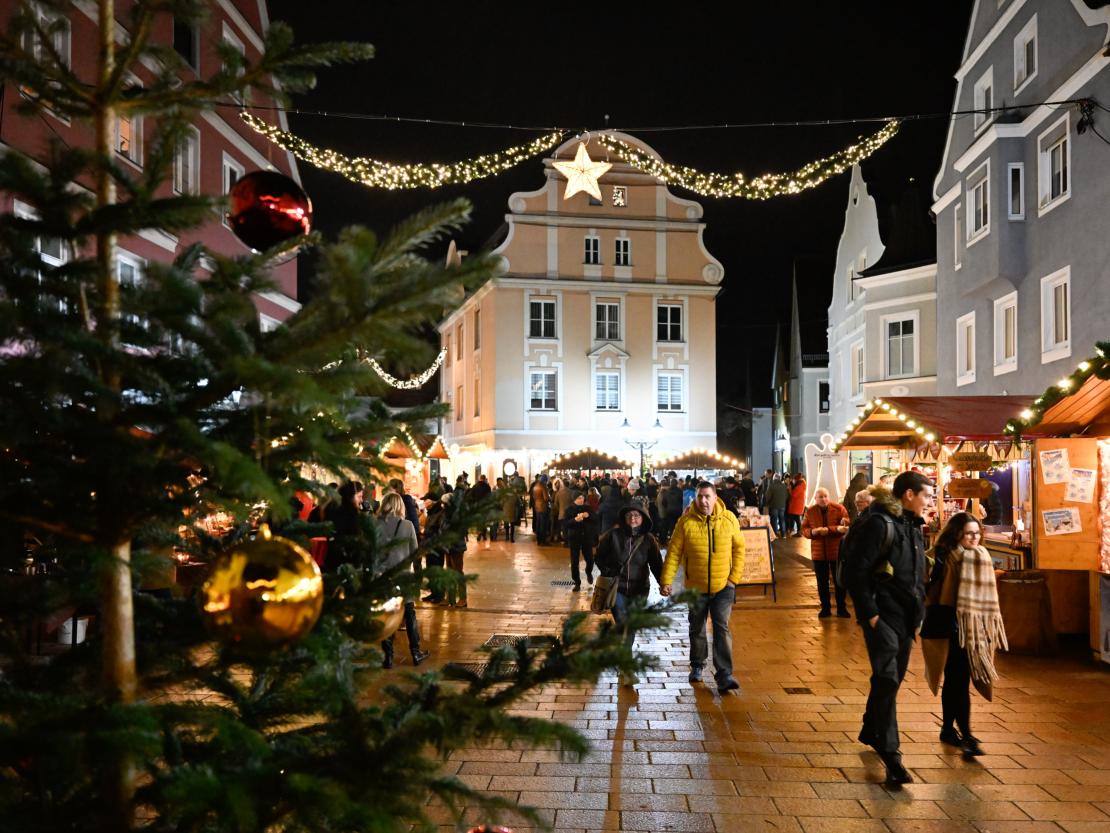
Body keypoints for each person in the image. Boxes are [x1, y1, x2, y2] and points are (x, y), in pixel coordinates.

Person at [845, 471, 932, 786]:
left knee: (889, 682)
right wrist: (870, 615)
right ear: (909, 494)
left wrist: (920, 610)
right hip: (883, 616)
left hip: (907, 618)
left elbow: (916, 571)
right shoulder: (879, 524)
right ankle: (892, 755)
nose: (929, 502)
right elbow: (855, 570)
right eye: (926, 495)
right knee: (888, 677)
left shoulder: (912, 526)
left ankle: (871, 727)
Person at [921, 513, 1007, 758]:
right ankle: (966, 734)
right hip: (947, 626)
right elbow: (929, 587)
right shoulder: (943, 556)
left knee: (957, 681)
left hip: (974, 628)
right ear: (956, 533)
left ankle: (949, 729)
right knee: (957, 680)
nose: (974, 537)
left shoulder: (981, 557)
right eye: (969, 533)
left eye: (977, 533)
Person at [660, 481, 746, 695]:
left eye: (707, 496)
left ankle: (724, 673)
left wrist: (733, 579)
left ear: (715, 497)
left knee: (721, 628)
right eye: (700, 496)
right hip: (696, 586)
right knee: (697, 626)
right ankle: (698, 664)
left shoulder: (729, 519)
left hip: (723, 586)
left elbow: (739, 549)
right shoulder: (685, 522)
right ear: (695, 498)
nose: (704, 500)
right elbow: (674, 553)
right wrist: (666, 580)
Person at [594, 505, 663, 686]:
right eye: (630, 515)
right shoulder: (613, 536)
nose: (633, 519)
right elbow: (599, 557)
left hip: (640, 590)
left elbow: (656, 564)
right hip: (618, 589)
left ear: (643, 518)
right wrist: (609, 570)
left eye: (637, 516)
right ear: (624, 518)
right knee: (625, 625)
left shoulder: (649, 540)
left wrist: (664, 583)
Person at [374, 493, 430, 668]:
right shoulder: (407, 525)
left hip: (383, 577)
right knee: (410, 613)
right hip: (403, 577)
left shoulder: (375, 525)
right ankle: (416, 652)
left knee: (388, 615)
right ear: (400, 506)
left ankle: (388, 657)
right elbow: (415, 552)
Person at [801, 487, 851, 618]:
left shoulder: (839, 508)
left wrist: (830, 529)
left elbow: (846, 524)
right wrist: (813, 532)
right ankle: (825, 608)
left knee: (839, 581)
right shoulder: (810, 511)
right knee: (822, 582)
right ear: (816, 498)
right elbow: (804, 529)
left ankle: (841, 608)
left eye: (825, 496)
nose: (823, 499)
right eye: (820, 497)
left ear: (829, 497)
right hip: (818, 553)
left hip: (836, 551)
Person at [563, 492, 596, 591]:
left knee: (590, 559)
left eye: (582, 498)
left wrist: (588, 516)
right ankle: (577, 582)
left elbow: (595, 520)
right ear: (574, 499)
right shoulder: (569, 510)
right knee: (574, 561)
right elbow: (565, 524)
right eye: (578, 498)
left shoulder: (588, 508)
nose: (581, 500)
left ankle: (588, 571)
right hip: (574, 538)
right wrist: (574, 520)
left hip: (586, 537)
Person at [765, 474, 789, 538]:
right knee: (782, 519)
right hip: (782, 505)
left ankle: (775, 534)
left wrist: (767, 503)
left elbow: (767, 496)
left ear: (774, 478)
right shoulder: (784, 486)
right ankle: (783, 534)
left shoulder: (771, 486)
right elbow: (787, 496)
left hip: (774, 505)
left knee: (774, 520)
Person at [530, 475, 552, 545]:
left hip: (537, 506)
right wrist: (550, 498)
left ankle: (539, 540)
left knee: (538, 524)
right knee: (543, 524)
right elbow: (546, 498)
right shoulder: (543, 486)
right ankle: (543, 540)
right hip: (543, 507)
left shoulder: (536, 485)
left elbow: (533, 496)